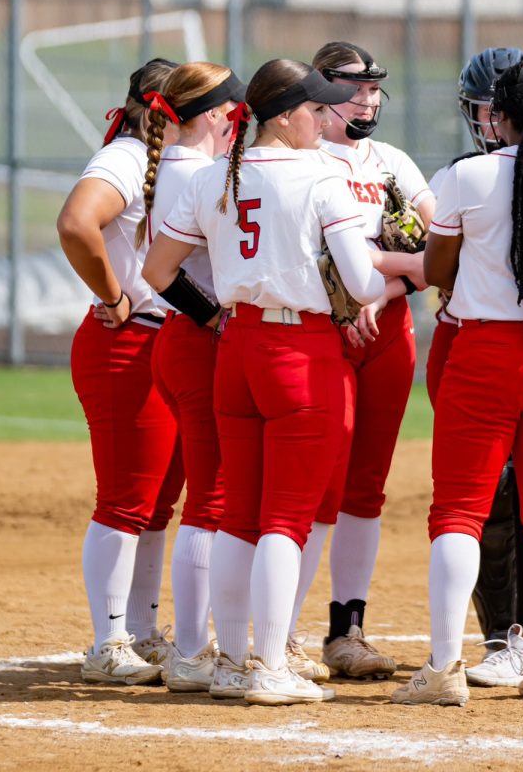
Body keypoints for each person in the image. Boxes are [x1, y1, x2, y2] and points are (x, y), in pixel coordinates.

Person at [143, 59, 389, 705]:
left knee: (240, 517)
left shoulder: (212, 176)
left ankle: (229, 662)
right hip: (302, 354)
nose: (327, 118)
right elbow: (363, 286)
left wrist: (216, 314)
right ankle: (269, 665)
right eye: (315, 108)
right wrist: (414, 269)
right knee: (286, 518)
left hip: (239, 348)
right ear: (283, 115)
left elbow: (159, 270)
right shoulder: (321, 177)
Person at [391, 59, 523, 706]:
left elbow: (437, 267)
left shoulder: (469, 175)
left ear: (501, 114)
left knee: (458, 510)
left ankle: (446, 668)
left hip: (489, 350)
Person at [285, 41, 432, 683]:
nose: (368, 98)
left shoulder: (393, 163)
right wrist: (350, 297)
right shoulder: (299, 156)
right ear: (317, 91)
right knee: (316, 482)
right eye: (354, 86)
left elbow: (438, 250)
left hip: (387, 331)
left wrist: (384, 290)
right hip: (320, 330)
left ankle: (347, 630)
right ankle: (280, 632)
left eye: (375, 88)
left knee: (366, 485)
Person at [56, 57, 186, 685]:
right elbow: (76, 223)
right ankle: (108, 641)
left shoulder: (171, 162)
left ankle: (140, 630)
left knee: (159, 503)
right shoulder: (130, 156)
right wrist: (114, 296)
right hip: (125, 340)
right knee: (127, 502)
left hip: (165, 343)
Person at [131, 61, 247, 693]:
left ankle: (194, 644)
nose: (239, 123)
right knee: (212, 499)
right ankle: (194, 651)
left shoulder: (175, 165)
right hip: (197, 343)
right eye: (232, 112)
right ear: (212, 116)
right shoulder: (198, 172)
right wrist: (215, 319)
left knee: (209, 496)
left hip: (181, 344)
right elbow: (161, 271)